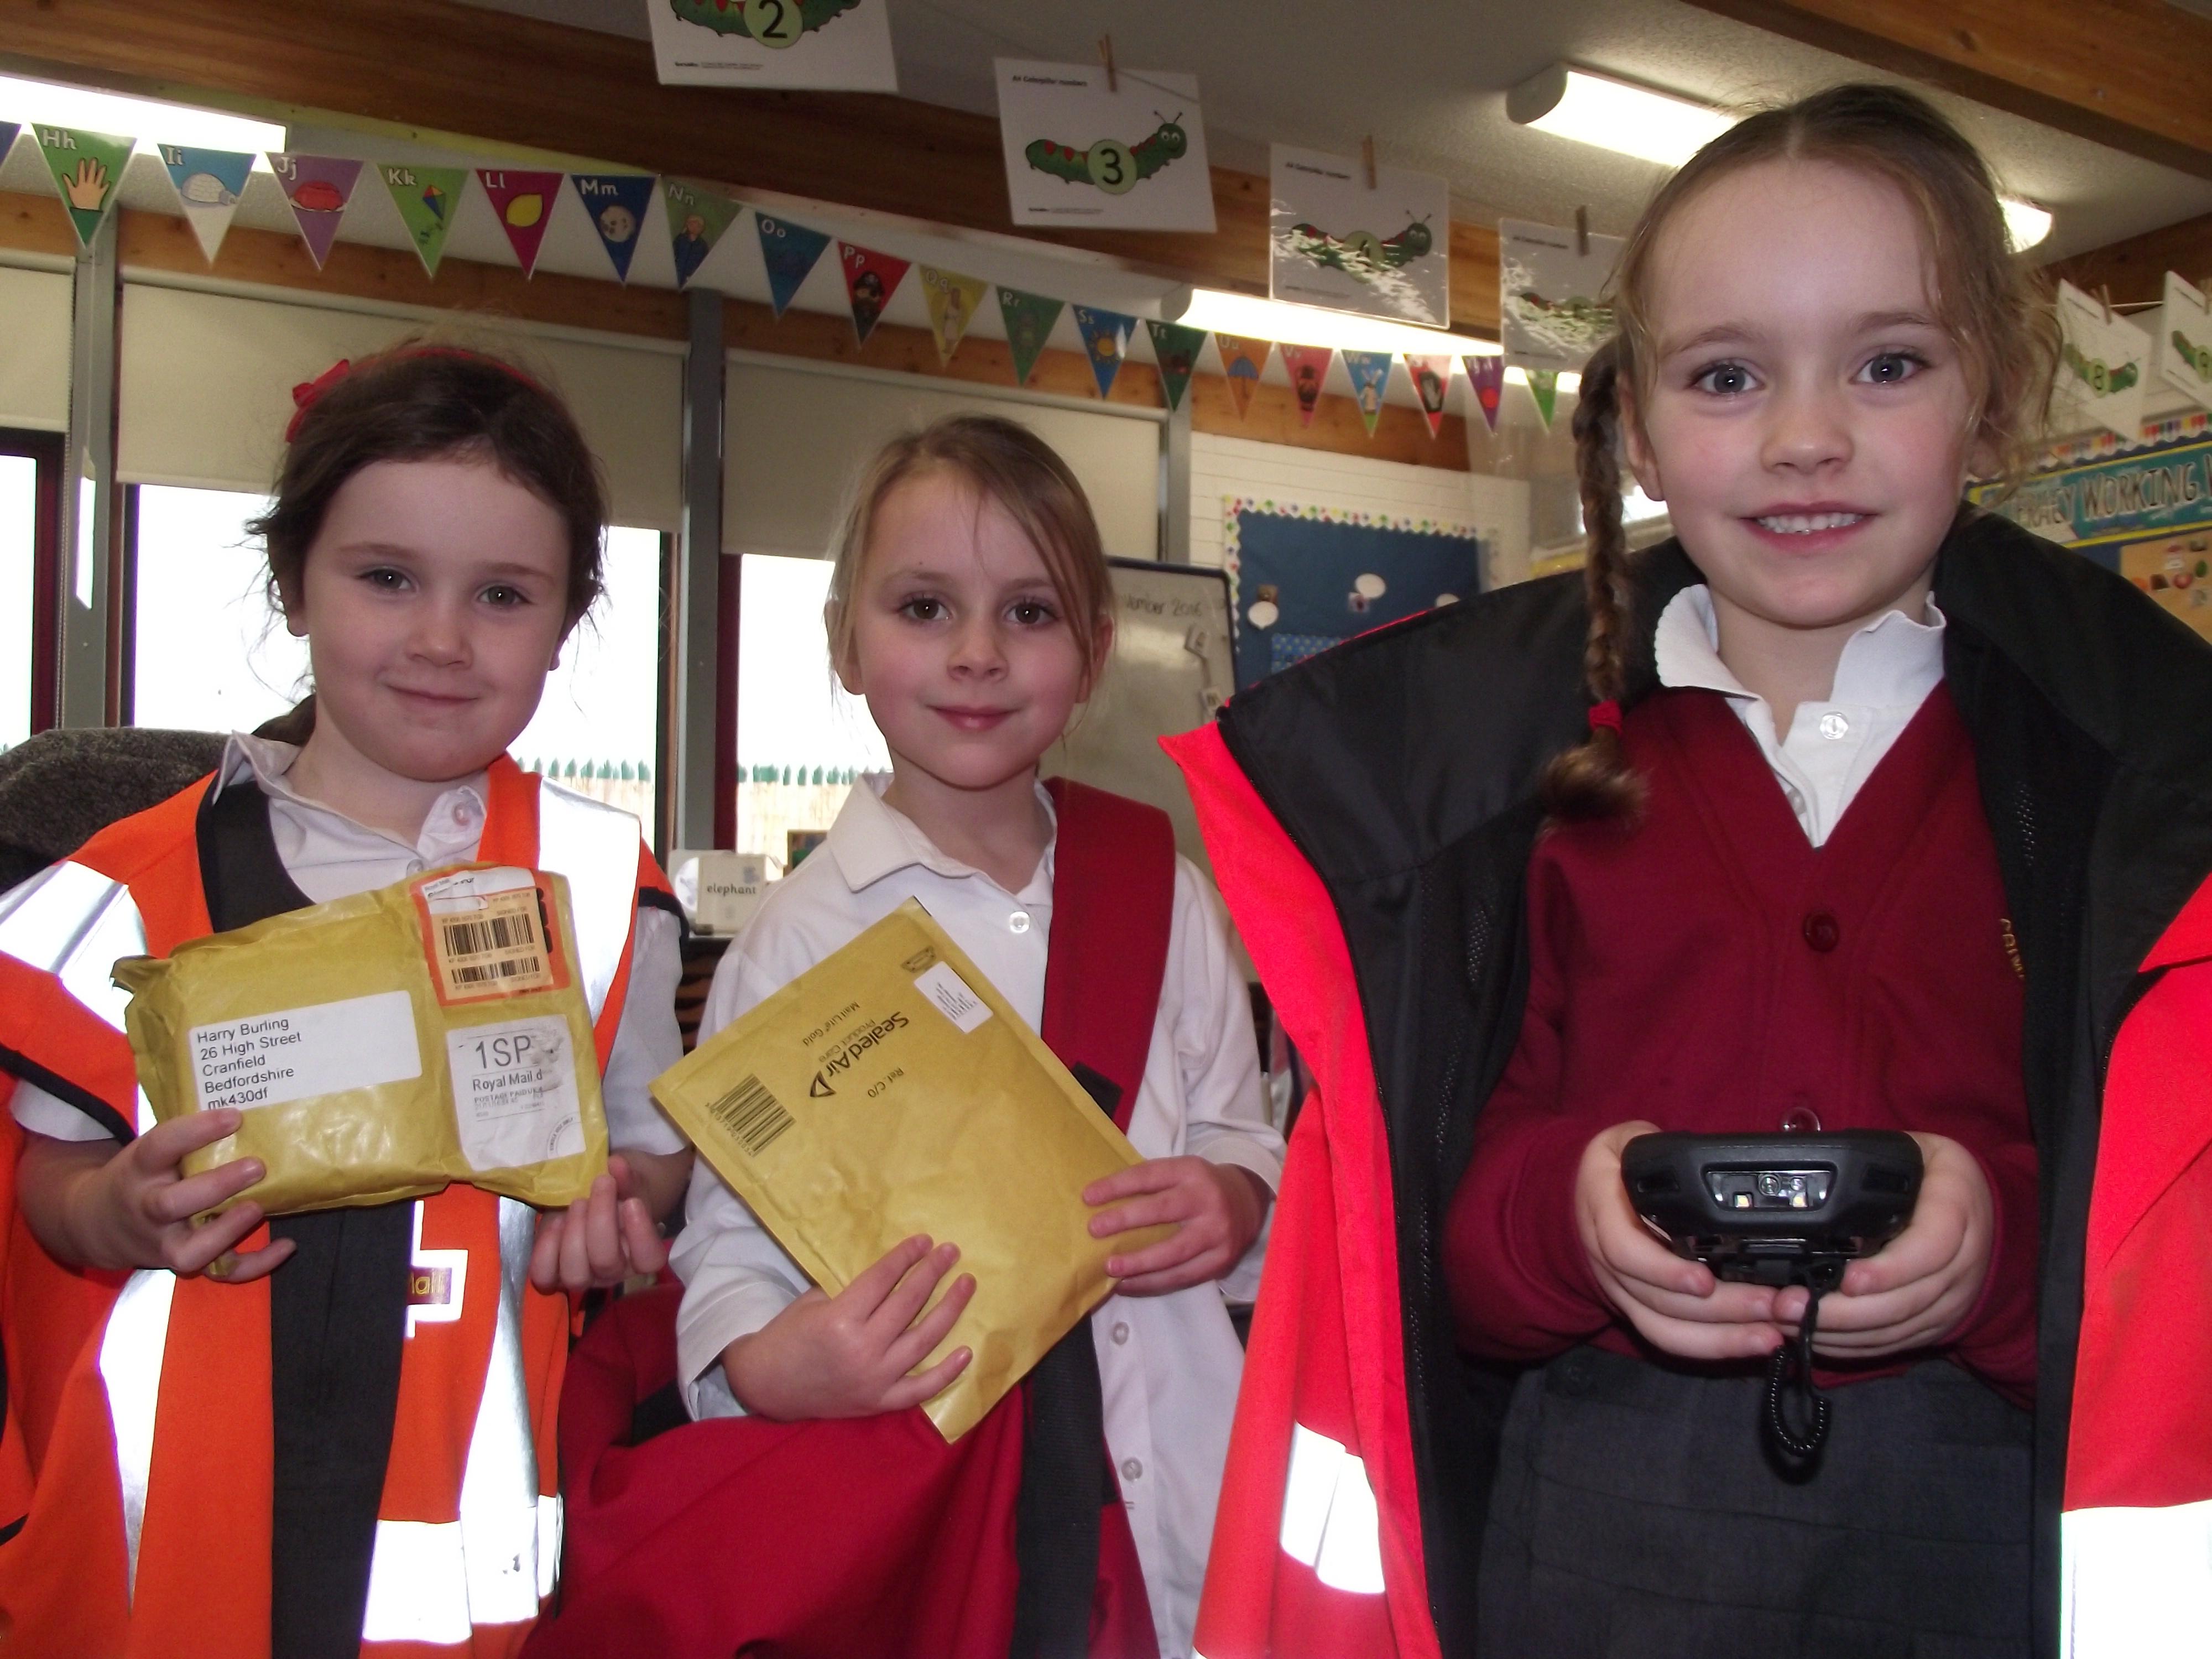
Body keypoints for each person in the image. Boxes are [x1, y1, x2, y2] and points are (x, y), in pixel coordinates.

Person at [1166, 84, 2212, 1659]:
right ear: (1640, 433)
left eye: (1888, 363)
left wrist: (1998, 1260)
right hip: (1597, 1537)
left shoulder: (2112, 807)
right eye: (1728, 375)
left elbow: (2154, 1253)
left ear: (1992, 401)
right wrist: (1574, 1219)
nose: (1805, 436)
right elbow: (1446, 1248)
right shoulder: (1526, 802)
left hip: (1984, 1534)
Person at [0, 344, 695, 1656]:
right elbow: (47, 1177)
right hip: (164, 1547)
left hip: (456, 1557)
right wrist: (117, 1209)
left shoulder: (603, 890)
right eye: (386, 578)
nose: (441, 639)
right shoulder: (119, 894)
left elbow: (653, 1156)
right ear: (293, 584)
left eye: (503, 595)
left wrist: (620, 1207)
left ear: (565, 623)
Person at [656, 414, 1281, 1659]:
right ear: (845, 642)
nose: (979, 654)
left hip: (1184, 1491)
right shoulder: (797, 940)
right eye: (925, 607)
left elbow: (1239, 1129)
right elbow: (727, 1244)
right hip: (946, 1527)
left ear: (1092, 652)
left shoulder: (1166, 894)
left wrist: (1233, 1198)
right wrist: (777, 1364)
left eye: (1030, 613)